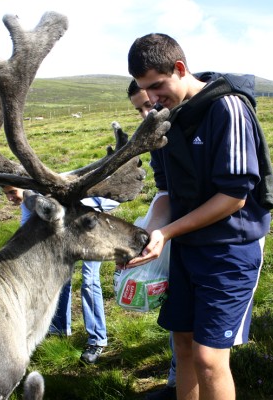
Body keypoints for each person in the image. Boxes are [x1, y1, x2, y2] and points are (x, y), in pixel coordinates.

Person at [124, 33, 273, 400]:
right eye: (146, 92)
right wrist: (149, 233)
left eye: (158, 87)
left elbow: (233, 197)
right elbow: (165, 193)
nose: (153, 100)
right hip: (188, 249)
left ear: (179, 68)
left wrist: (168, 232)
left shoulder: (228, 109)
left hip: (229, 251)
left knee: (209, 358)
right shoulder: (163, 122)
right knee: (184, 344)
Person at [1, 184, 118, 365]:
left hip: (90, 230)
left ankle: (96, 340)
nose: (9, 198)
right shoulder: (30, 201)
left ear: (20, 186)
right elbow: (26, 232)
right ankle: (60, 327)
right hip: (66, 237)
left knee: (89, 280)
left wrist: (86, 209)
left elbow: (104, 200)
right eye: (6, 194)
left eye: (11, 192)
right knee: (60, 277)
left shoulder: (56, 192)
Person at [128, 79, 177, 400]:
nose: (147, 113)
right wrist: (148, 235)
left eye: (149, 104)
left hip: (215, 237)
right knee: (179, 314)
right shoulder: (156, 139)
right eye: (139, 109)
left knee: (208, 346)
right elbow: (165, 191)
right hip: (176, 232)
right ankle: (177, 380)